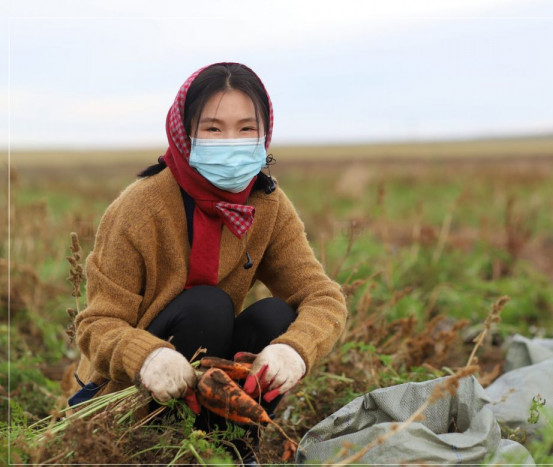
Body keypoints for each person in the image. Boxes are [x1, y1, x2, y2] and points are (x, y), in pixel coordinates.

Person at [67, 62, 347, 442]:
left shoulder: (266, 204)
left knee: (275, 317)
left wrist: (295, 350)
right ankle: (161, 445)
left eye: (246, 128)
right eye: (213, 128)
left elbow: (322, 296)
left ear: (264, 135)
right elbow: (97, 325)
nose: (231, 142)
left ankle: (229, 445)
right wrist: (147, 356)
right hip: (130, 392)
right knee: (207, 306)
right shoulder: (138, 209)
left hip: (213, 377)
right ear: (184, 132)